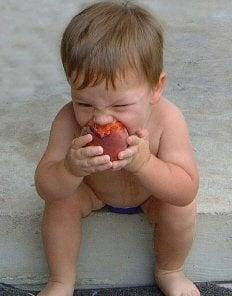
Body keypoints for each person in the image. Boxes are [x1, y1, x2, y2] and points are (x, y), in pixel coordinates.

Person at [35, 1, 200, 295]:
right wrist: (70, 169)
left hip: (152, 197)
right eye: (84, 102)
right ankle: (61, 280)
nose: (100, 118)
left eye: (121, 105)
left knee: (180, 209)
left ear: (156, 87)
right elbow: (46, 186)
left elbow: (186, 189)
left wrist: (145, 164)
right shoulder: (67, 120)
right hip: (94, 192)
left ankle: (170, 270)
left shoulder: (168, 119)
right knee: (61, 202)